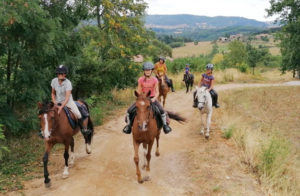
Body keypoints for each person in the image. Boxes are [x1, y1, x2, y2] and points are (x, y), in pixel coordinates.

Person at [123, 62, 172, 134]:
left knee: (161, 110)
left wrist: (154, 98)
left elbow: (157, 92)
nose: (147, 71)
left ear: (151, 71)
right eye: (146, 70)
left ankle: (165, 126)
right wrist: (138, 97)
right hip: (142, 99)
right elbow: (139, 90)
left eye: (149, 70)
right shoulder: (140, 79)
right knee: (129, 110)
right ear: (144, 71)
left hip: (152, 98)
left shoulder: (155, 80)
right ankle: (129, 126)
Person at [50, 65, 89, 134]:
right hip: (57, 101)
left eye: (61, 73)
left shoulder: (68, 83)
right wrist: (54, 102)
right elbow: (53, 93)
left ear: (65, 74)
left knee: (78, 114)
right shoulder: (54, 81)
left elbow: (67, 97)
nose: (59, 75)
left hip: (67, 101)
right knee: (46, 112)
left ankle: (83, 129)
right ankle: (43, 131)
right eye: (58, 73)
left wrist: (61, 107)